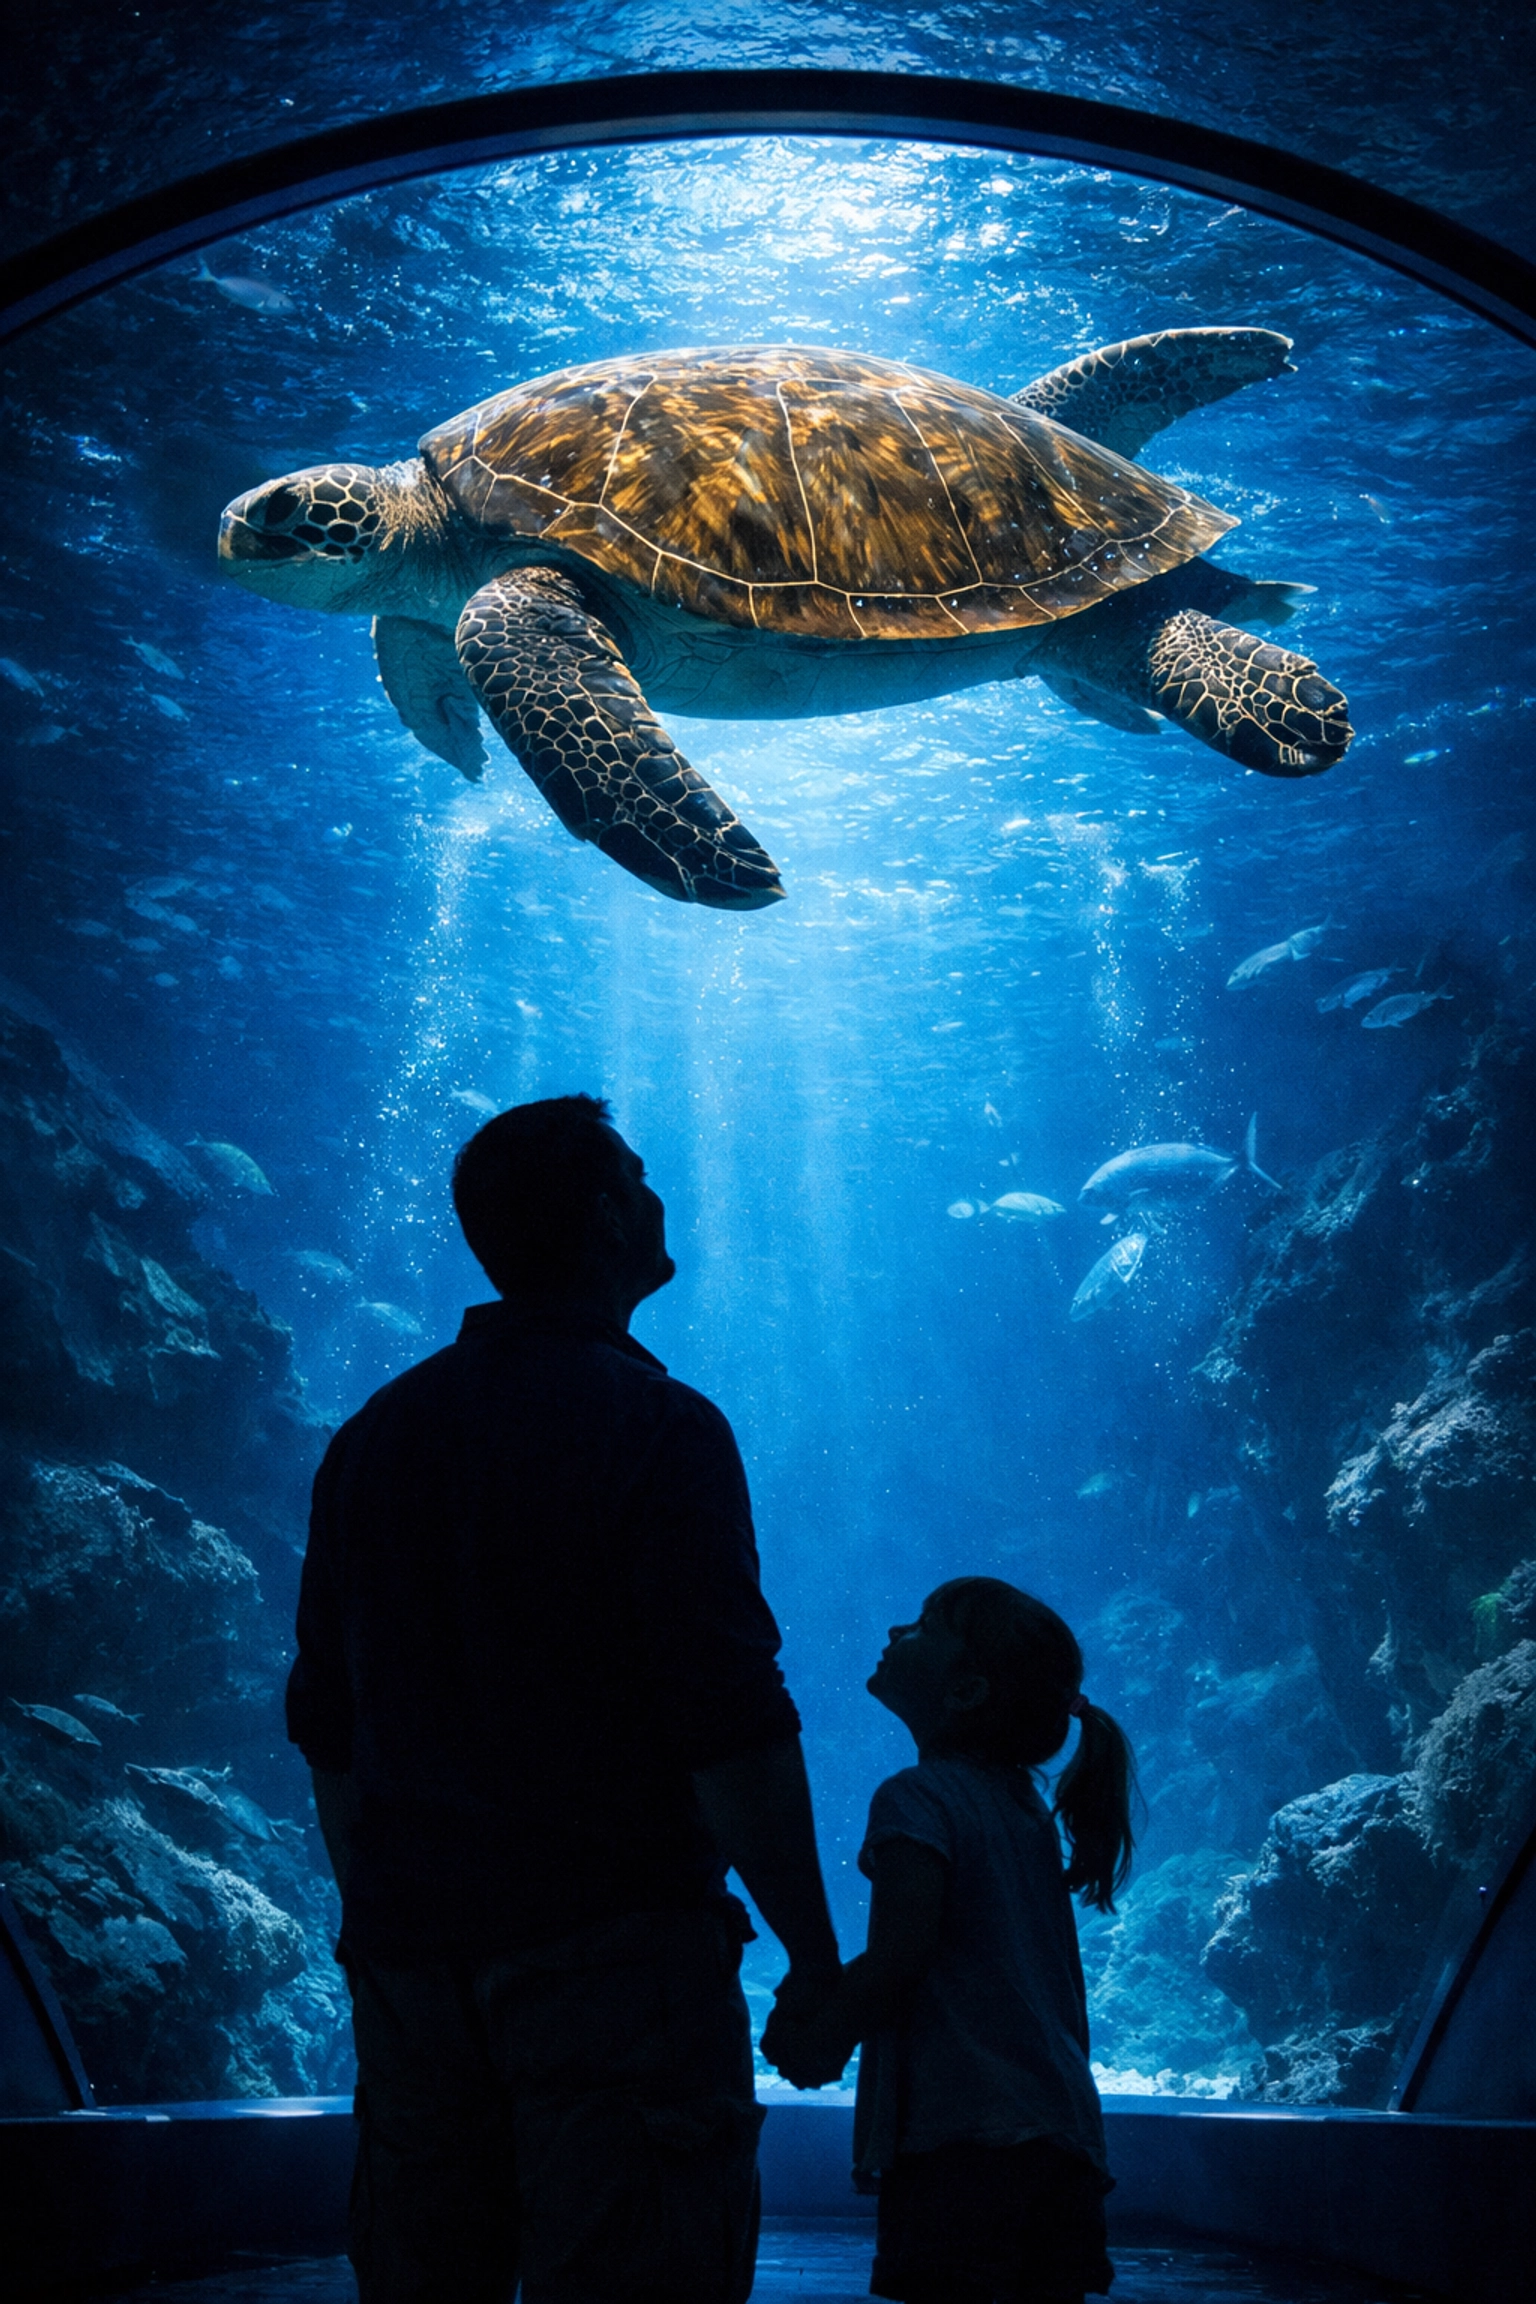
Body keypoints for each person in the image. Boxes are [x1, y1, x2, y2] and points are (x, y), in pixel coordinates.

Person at [286, 1094, 840, 2304]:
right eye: (638, 1180)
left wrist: (382, 1923)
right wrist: (812, 1952)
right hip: (616, 1972)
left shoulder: (370, 1440)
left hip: (411, 1979)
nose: (657, 1199)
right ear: (600, 1215)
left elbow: (330, 1733)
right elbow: (730, 1722)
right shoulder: (659, 1426)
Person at [762, 1577, 1136, 2304]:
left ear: (965, 1690)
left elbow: (906, 1956)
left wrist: (823, 2035)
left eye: (927, 1625)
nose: (900, 1627)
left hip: (967, 2141)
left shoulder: (916, 1798)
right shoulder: (1023, 1808)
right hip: (1061, 2135)